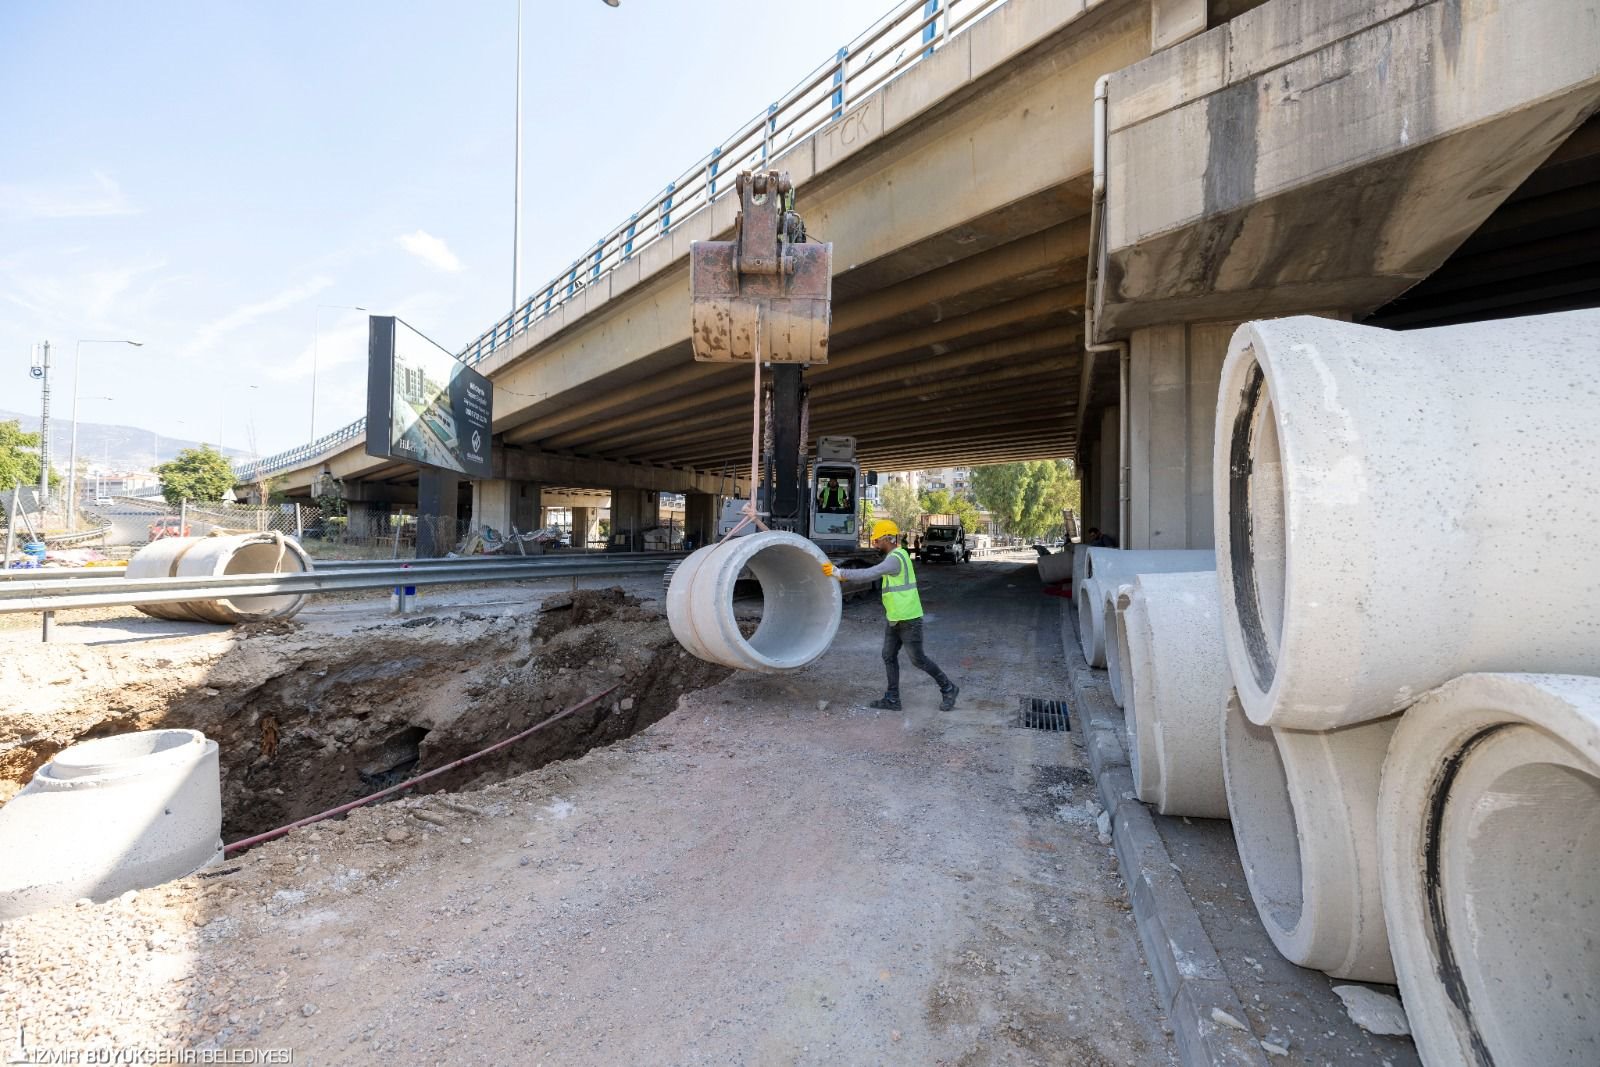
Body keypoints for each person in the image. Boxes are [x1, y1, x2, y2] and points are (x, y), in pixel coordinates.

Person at [823, 519, 959, 712]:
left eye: (877, 541)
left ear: (887, 538)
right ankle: (893, 699)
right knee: (888, 655)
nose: (875, 544)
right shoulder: (895, 556)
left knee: (918, 659)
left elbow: (871, 573)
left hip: (909, 619)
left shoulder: (896, 559)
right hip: (895, 618)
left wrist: (840, 572)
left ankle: (949, 688)